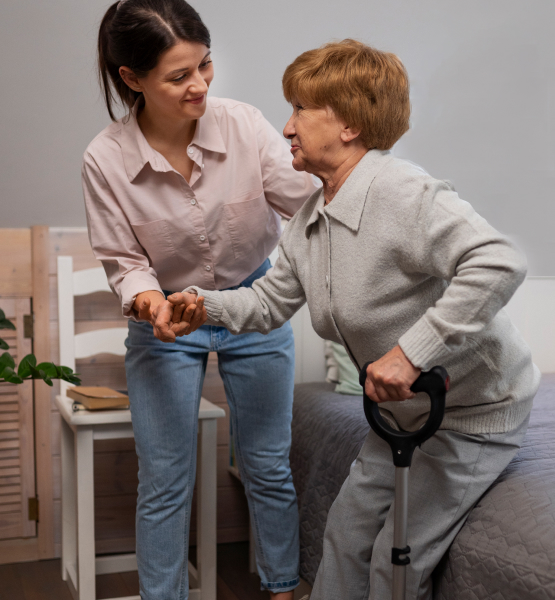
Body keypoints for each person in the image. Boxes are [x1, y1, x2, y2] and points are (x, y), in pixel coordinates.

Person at [173, 39, 541, 600]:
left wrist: (411, 352)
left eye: (299, 109)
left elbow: (498, 261)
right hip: (401, 415)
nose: (286, 126)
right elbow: (270, 303)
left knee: (397, 559)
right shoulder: (311, 217)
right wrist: (204, 304)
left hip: (472, 413)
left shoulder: (404, 192)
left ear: (348, 126)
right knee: (344, 539)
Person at [82, 0, 316, 600]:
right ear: (132, 78)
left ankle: (282, 587)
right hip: (166, 319)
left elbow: (308, 202)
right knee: (164, 477)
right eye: (179, 75)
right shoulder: (104, 159)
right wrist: (149, 304)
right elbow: (125, 262)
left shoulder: (243, 124)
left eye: (205, 64)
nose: (200, 85)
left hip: (254, 305)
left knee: (267, 464)